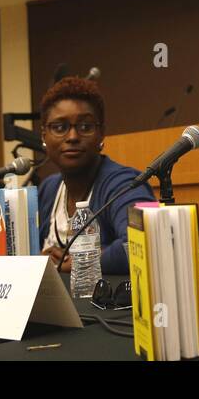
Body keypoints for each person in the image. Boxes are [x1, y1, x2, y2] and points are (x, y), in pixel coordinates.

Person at [36, 76, 154, 276]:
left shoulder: (126, 183)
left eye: (85, 127)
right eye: (59, 127)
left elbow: (145, 241)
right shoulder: (48, 188)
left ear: (101, 134)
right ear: (43, 136)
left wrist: (83, 262)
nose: (72, 137)